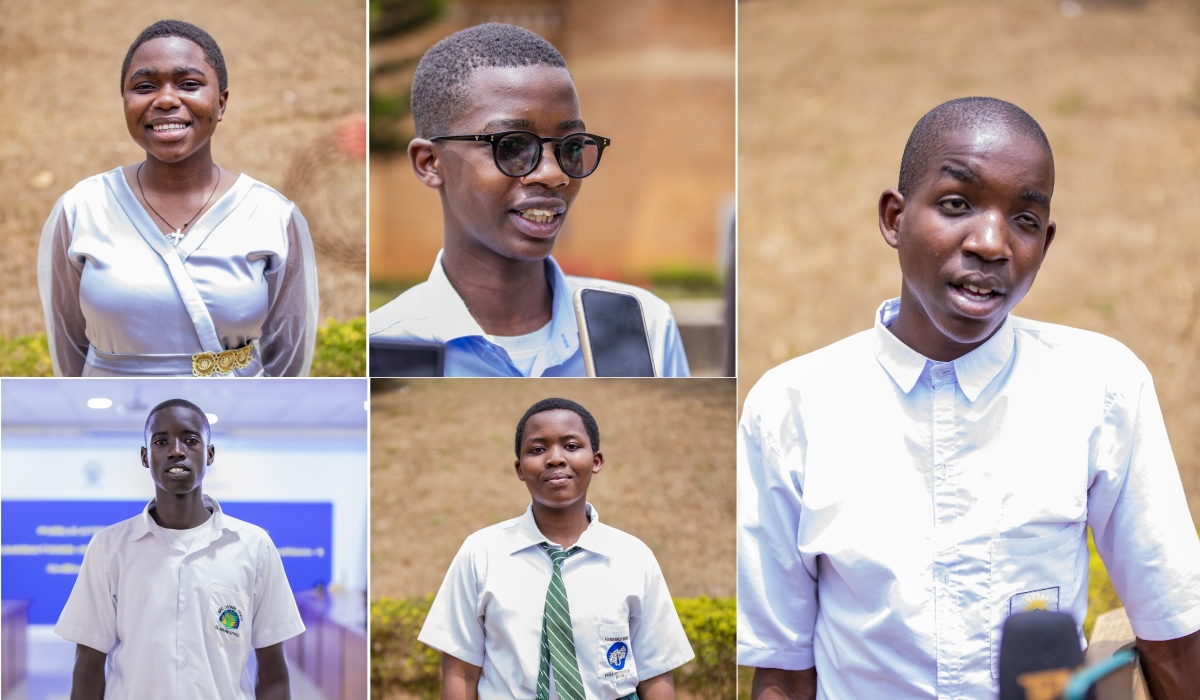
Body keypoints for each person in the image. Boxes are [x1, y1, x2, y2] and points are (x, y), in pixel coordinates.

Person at [737, 97, 1200, 699]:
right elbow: (783, 670)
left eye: (1025, 220)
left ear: (1045, 242)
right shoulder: (791, 408)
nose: (991, 242)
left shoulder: (1102, 386)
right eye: (957, 204)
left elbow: (1172, 629)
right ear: (893, 218)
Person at [367, 23, 689, 377]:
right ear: (430, 163)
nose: (554, 175)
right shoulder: (387, 345)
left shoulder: (643, 327)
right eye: (513, 146)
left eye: (572, 146)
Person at [37, 20, 319, 377]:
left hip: (239, 416)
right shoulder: (82, 208)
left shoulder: (272, 215)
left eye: (189, 84)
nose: (167, 99)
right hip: (113, 415)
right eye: (144, 86)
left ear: (220, 103)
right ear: (125, 102)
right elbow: (69, 344)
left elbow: (286, 357)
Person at [418, 398, 695, 699]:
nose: (555, 458)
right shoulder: (481, 553)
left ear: (596, 460)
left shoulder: (633, 556)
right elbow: (461, 673)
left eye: (572, 446)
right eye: (537, 450)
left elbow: (654, 674)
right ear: (520, 469)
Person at [55, 399, 305, 700]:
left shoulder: (254, 546)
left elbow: (274, 673)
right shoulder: (109, 548)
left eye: (190, 440)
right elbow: (88, 668)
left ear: (209, 454)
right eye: (161, 441)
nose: (176, 450)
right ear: (146, 457)